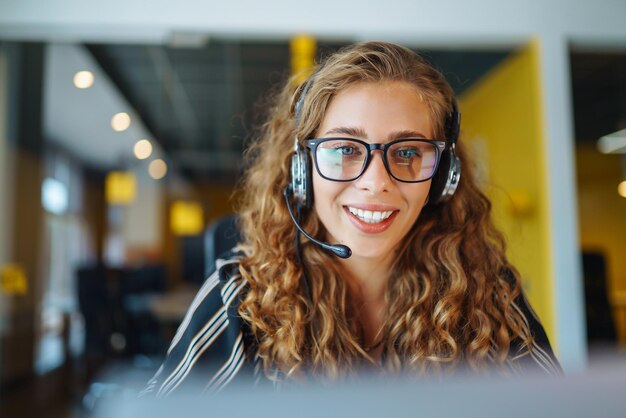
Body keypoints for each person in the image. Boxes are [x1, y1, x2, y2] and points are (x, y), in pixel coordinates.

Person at [142, 41, 561, 397]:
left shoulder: (489, 293)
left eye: (409, 152)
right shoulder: (240, 300)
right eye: (345, 150)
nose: (376, 183)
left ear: (443, 179)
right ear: (302, 171)